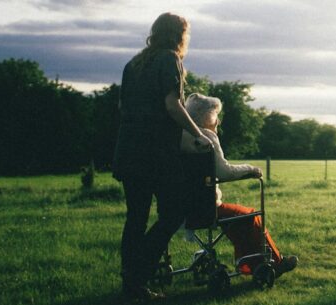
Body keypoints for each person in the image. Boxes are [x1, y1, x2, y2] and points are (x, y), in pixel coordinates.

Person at [113, 12, 211, 301]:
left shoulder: (134, 63)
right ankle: (139, 272)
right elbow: (173, 105)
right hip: (155, 154)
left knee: (136, 219)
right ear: (179, 35)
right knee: (173, 213)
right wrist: (198, 134)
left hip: (128, 150)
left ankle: (132, 283)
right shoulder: (170, 59)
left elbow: (123, 106)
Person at [179, 93, 298, 276]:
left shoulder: (180, 136)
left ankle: (251, 263)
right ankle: (273, 262)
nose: (218, 121)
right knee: (250, 215)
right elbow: (224, 172)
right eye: (215, 115)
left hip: (182, 207)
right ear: (206, 117)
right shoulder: (206, 137)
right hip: (206, 207)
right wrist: (251, 169)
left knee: (237, 218)